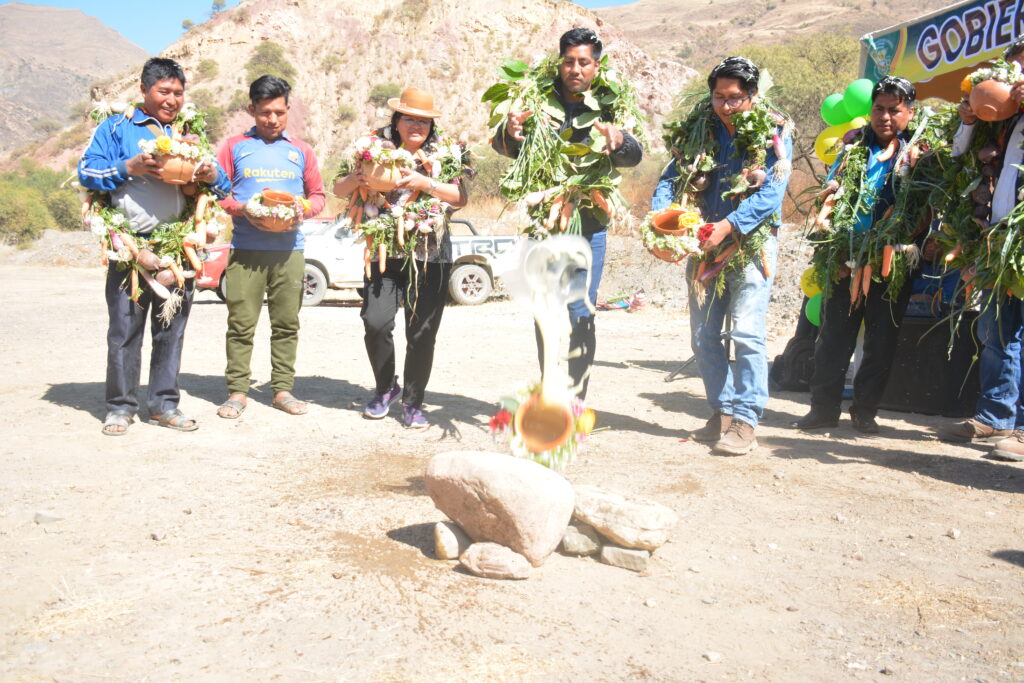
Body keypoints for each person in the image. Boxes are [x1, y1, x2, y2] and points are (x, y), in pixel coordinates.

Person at [79, 57, 230, 436]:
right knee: (124, 332)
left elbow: (223, 186)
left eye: (178, 93)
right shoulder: (116, 128)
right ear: (144, 90)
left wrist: (211, 173)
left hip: (179, 252)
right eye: (164, 91)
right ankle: (120, 407)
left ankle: (164, 405)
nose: (172, 99)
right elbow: (86, 172)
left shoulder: (189, 131)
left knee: (170, 332)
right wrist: (128, 167)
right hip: (130, 252)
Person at [651, 56, 793, 455]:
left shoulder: (774, 130)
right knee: (703, 335)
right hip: (703, 241)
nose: (726, 106)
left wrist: (729, 225)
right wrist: (662, 219)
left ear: (752, 95)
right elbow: (670, 179)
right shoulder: (698, 129)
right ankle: (723, 412)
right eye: (719, 97)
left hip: (751, 242)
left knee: (746, 332)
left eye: (734, 98)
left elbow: (773, 192)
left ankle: (747, 419)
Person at [493, 27, 643, 399]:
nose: (576, 69)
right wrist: (511, 131)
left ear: (597, 65)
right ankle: (548, 389)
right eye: (569, 61)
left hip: (589, 224)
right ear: (559, 63)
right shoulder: (536, 98)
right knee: (544, 310)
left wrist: (618, 140)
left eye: (584, 62)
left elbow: (634, 154)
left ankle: (576, 399)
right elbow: (505, 147)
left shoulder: (611, 102)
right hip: (544, 222)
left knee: (581, 310)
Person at [337, 88, 471, 428]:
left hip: (431, 256)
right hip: (383, 253)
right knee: (375, 322)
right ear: (396, 121)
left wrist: (426, 182)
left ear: (431, 126)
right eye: (409, 118)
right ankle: (386, 388)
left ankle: (413, 401)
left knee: (422, 333)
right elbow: (338, 189)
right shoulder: (372, 150)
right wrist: (356, 179)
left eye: (423, 121)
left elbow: (460, 197)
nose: (416, 126)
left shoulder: (446, 153)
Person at [795, 77, 920, 434]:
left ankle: (865, 411)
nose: (885, 117)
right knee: (833, 336)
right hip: (845, 254)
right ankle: (823, 409)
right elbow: (832, 189)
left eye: (894, 110)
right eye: (879, 109)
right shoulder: (853, 145)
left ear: (909, 113)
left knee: (881, 340)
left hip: (892, 260)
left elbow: (925, 207)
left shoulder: (921, 153)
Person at [216, 75, 325, 419]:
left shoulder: (301, 151)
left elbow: (318, 196)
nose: (273, 119)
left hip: (289, 252)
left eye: (279, 112)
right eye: (265, 112)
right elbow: (219, 194)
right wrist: (244, 209)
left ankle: (282, 390)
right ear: (252, 110)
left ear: (288, 109)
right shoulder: (234, 147)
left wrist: (301, 210)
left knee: (287, 323)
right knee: (241, 324)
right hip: (246, 250)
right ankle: (237, 391)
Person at [936, 39, 1024, 460]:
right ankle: (995, 416)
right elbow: (958, 154)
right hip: (996, 238)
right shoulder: (1000, 121)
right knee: (996, 331)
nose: (1018, 79)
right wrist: (970, 120)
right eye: (1014, 70)